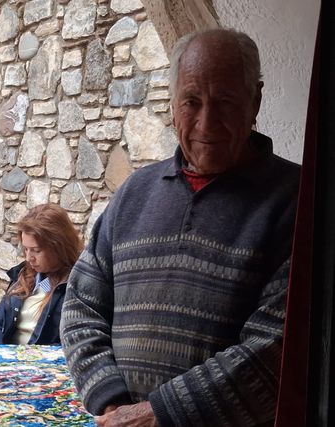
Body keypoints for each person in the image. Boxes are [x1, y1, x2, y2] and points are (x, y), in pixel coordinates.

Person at [60, 28, 300, 427]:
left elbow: (279, 347)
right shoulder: (135, 192)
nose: (207, 123)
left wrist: (159, 415)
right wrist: (112, 403)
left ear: (255, 101)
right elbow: (82, 304)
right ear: (172, 105)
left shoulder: (299, 201)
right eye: (192, 101)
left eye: (225, 102)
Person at [0, 203, 82, 346]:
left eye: (36, 250)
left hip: (41, 360)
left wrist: (28, 357)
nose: (28, 258)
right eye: (26, 249)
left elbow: (76, 342)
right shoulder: (23, 274)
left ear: (59, 247)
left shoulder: (78, 285)